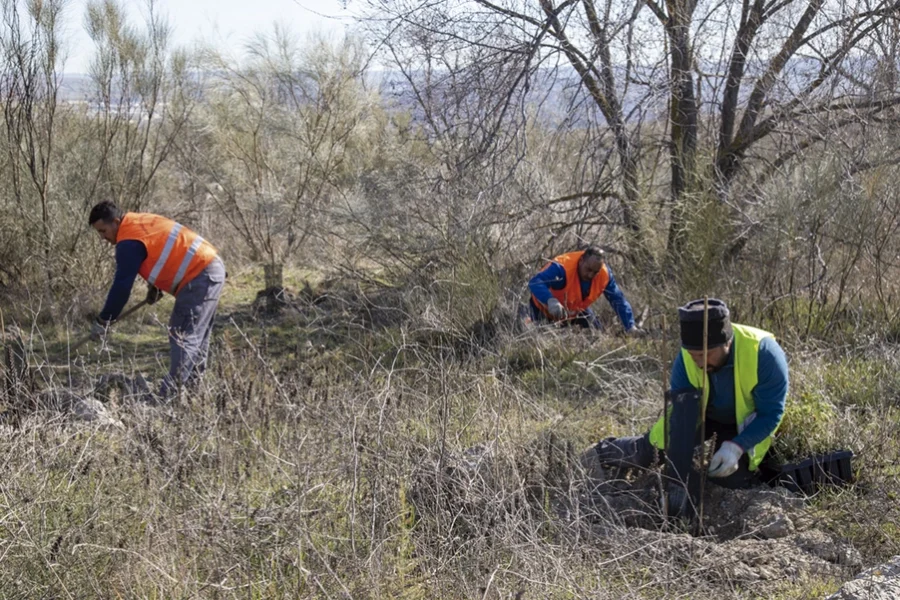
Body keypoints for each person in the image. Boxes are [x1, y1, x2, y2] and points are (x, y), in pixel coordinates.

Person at [592, 298, 789, 518]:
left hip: (743, 425)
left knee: (727, 480)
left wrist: (736, 447)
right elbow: (682, 418)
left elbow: (771, 413)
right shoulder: (686, 358)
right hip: (699, 416)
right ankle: (603, 450)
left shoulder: (764, 354)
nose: (698, 362)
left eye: (706, 354)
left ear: (727, 342)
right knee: (648, 452)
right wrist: (676, 481)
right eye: (694, 355)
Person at [87, 201, 226, 402]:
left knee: (183, 336)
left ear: (116, 222)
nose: (103, 237)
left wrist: (104, 320)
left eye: (103, 231)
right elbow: (161, 249)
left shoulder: (128, 241)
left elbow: (121, 287)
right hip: (208, 269)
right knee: (196, 339)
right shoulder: (139, 222)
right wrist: (155, 286)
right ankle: (196, 397)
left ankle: (167, 399)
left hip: (199, 275)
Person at [528, 246, 641, 334]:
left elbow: (618, 300)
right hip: (542, 310)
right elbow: (536, 282)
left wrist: (630, 326)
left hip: (575, 311)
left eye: (595, 272)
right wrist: (550, 300)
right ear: (581, 260)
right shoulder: (562, 267)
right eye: (588, 269)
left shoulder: (604, 275)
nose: (590, 275)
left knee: (598, 336)